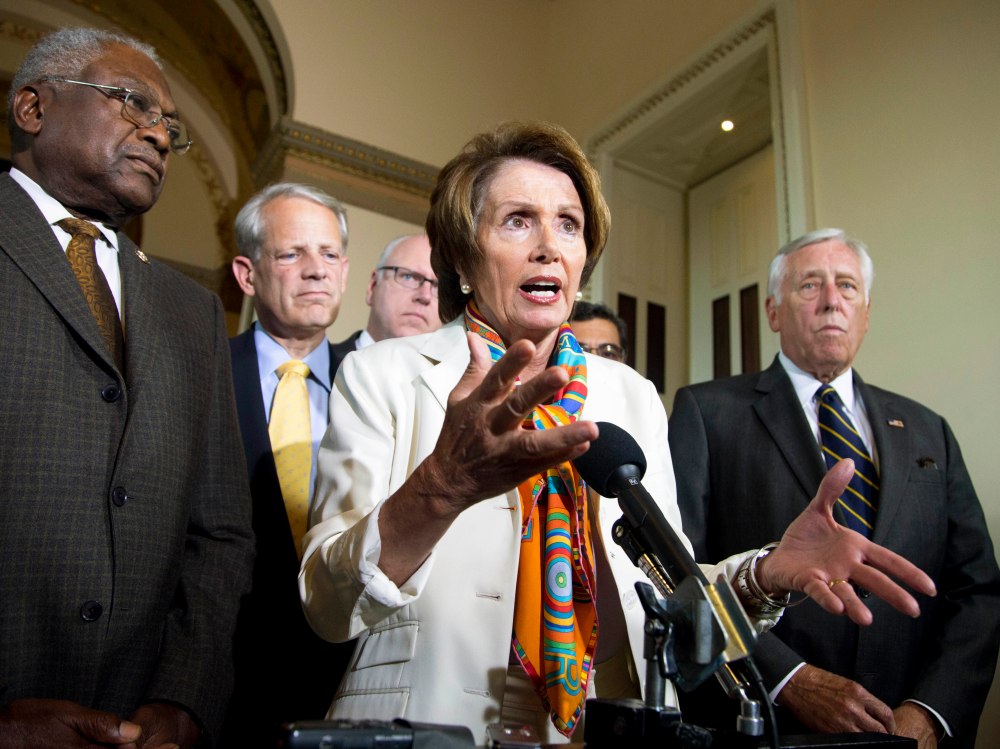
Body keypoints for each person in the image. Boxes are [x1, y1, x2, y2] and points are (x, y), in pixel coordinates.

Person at [298, 124, 935, 745]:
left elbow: (670, 602)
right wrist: (442, 486)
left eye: (569, 225)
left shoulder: (628, 394)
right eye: (518, 220)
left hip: (603, 725)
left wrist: (765, 575)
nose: (548, 245)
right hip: (428, 724)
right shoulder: (383, 372)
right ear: (463, 257)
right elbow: (327, 604)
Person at [0, 27, 253, 749]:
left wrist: (186, 696)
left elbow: (222, 532)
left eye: (172, 126)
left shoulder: (190, 308)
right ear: (32, 107)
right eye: (131, 101)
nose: (161, 134)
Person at [670, 228, 1000, 749]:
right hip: (767, 723)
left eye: (847, 287)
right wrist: (788, 679)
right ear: (774, 312)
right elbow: (678, 572)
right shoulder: (706, 414)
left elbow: (976, 590)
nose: (831, 302)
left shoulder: (927, 428)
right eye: (810, 286)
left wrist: (932, 711)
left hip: (910, 727)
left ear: (866, 313)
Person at [223, 182, 355, 745]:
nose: (316, 270)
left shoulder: (379, 385)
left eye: (328, 254)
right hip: (226, 680)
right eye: (291, 253)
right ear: (247, 275)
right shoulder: (202, 371)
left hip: (349, 677)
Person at [331, 233, 441, 356]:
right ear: (373, 286)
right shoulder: (311, 369)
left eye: (439, 287)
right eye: (408, 277)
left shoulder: (456, 375)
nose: (425, 296)